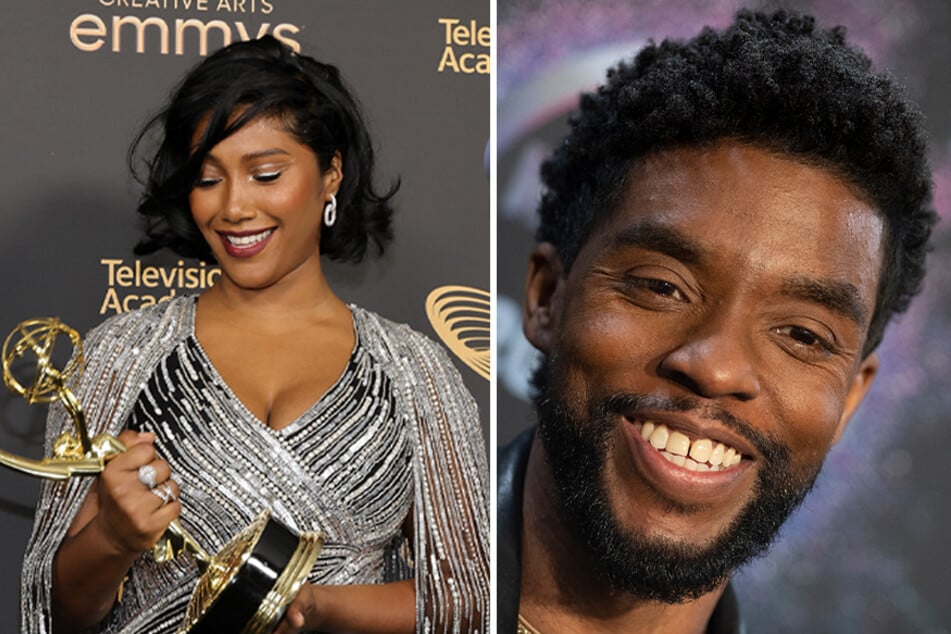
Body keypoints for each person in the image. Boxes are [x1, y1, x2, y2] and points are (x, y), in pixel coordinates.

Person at [21, 36, 489, 634]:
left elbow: (469, 601)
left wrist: (315, 607)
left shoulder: (414, 371)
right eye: (208, 179)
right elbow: (55, 614)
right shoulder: (121, 357)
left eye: (265, 173)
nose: (233, 207)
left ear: (331, 175)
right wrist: (113, 537)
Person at [499, 9, 936, 634]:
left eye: (803, 336)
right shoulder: (335, 595)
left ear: (851, 398)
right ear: (546, 297)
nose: (717, 365)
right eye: (661, 287)